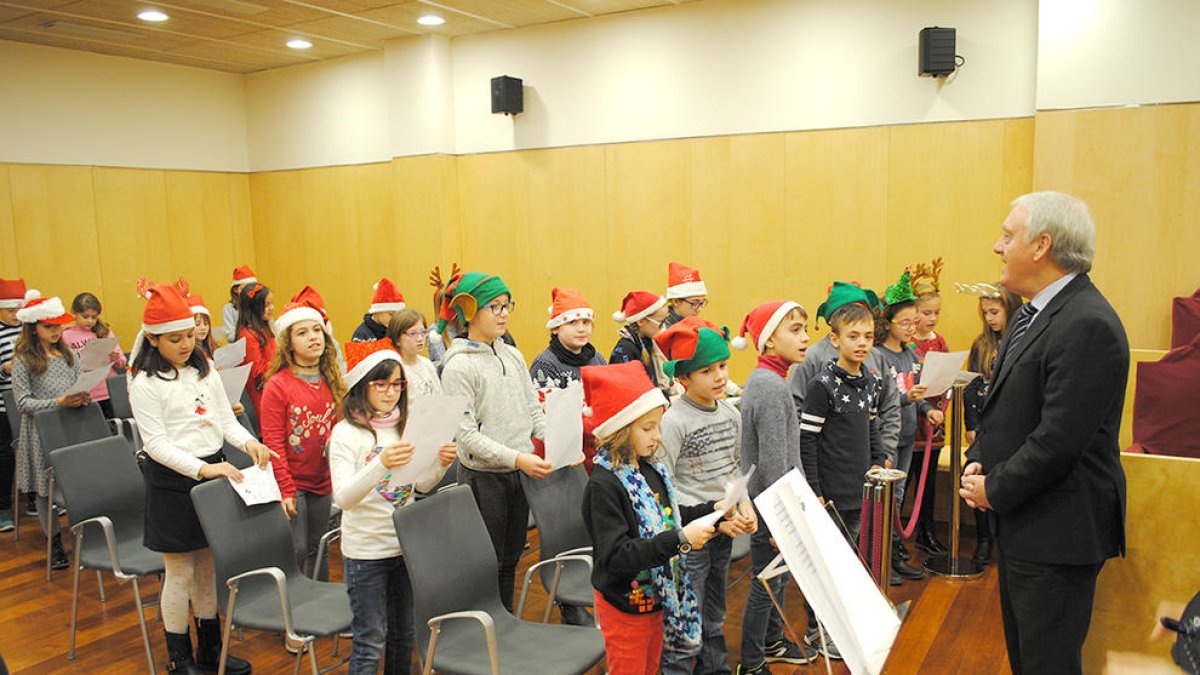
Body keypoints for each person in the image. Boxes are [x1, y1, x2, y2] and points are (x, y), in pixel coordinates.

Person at [961, 191, 1129, 675]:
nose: (997, 246)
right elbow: (1012, 407)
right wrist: (981, 456)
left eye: (1007, 236)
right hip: (1030, 521)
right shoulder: (1034, 312)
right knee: (1027, 658)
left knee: (1046, 664)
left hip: (1060, 529)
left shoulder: (1087, 323)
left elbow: (1059, 440)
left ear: (1042, 246)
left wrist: (995, 487)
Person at [128, 281, 272, 675]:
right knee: (179, 572)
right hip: (173, 481)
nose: (186, 344)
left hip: (213, 472)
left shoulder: (203, 368)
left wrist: (250, 442)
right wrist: (203, 469)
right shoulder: (144, 381)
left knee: (208, 566)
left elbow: (225, 420)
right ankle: (180, 658)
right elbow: (155, 444)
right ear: (154, 340)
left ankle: (211, 649)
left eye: (190, 335)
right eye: (175, 338)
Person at [581, 361, 721, 675]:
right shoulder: (603, 486)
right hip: (625, 605)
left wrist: (716, 512)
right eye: (648, 428)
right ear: (619, 430)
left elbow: (670, 517)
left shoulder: (649, 468)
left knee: (651, 667)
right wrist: (681, 539)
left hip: (656, 598)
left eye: (658, 426)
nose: (657, 436)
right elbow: (616, 555)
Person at [329, 339, 456, 675]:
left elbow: (419, 487)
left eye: (397, 384)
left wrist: (440, 465)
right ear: (361, 386)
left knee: (404, 635)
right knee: (370, 640)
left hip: (403, 547)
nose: (390, 392)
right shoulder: (346, 434)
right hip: (366, 553)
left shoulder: (405, 427)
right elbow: (343, 498)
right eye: (381, 384)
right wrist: (381, 463)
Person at [437, 270, 551, 612]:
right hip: (483, 479)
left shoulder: (512, 355)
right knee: (486, 562)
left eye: (506, 305)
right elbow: (467, 437)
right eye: (494, 307)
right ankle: (483, 630)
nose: (503, 313)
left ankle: (503, 625)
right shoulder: (457, 367)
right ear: (469, 313)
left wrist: (561, 445)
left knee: (510, 559)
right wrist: (518, 458)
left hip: (519, 474)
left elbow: (534, 412)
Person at [654, 317, 756, 675]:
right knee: (687, 619)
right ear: (683, 379)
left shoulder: (730, 413)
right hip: (691, 536)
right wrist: (712, 516)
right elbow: (665, 485)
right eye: (706, 371)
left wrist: (743, 506)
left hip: (722, 531)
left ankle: (716, 669)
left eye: (723, 366)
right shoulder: (674, 421)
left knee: (715, 613)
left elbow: (737, 469)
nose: (719, 376)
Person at [730, 301, 818, 674]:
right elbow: (771, 464)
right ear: (768, 342)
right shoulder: (769, 387)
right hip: (770, 505)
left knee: (777, 580)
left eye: (804, 328)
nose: (806, 337)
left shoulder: (771, 381)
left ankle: (771, 642)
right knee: (765, 586)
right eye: (795, 330)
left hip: (773, 501)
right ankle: (751, 663)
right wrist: (783, 517)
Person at [799, 302, 889, 659]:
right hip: (831, 493)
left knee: (851, 563)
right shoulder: (822, 385)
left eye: (868, 336)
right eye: (853, 336)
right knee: (826, 566)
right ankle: (815, 629)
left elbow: (871, 425)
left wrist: (880, 459)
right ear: (834, 339)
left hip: (860, 491)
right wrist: (816, 490)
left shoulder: (871, 381)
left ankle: (843, 624)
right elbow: (808, 439)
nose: (862, 343)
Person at [261, 295, 345, 580]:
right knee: (297, 549)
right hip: (293, 483)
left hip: (323, 480)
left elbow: (341, 427)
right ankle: (295, 611)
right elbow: (273, 441)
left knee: (318, 547)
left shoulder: (331, 378)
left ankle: (318, 604)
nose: (313, 338)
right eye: (302, 332)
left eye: (317, 330)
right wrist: (285, 488)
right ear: (288, 342)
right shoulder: (278, 385)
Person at [12, 296, 85, 569]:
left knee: (77, 484)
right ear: (33, 328)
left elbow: (79, 381)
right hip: (42, 430)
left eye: (58, 327)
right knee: (45, 490)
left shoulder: (68, 354)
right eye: (48, 327)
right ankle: (53, 541)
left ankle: (82, 535)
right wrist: (58, 403)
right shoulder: (23, 359)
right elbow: (22, 402)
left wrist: (80, 397)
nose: (56, 332)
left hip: (71, 427)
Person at [873, 271, 936, 583]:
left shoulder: (912, 356)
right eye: (906, 322)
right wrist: (904, 399)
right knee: (886, 500)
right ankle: (881, 557)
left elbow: (917, 393)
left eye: (915, 321)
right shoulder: (878, 356)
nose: (913, 328)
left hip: (908, 437)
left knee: (898, 499)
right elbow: (882, 399)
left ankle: (896, 554)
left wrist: (927, 408)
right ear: (889, 322)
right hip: (886, 439)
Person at [959, 281, 1023, 566]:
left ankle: (1005, 537)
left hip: (1011, 426)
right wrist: (971, 425)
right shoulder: (981, 345)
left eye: (995, 312)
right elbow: (971, 388)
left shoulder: (1022, 340)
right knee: (974, 474)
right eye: (985, 313)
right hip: (984, 428)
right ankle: (984, 537)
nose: (990, 319)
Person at [908, 258, 950, 555]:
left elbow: (946, 375)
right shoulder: (908, 345)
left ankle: (927, 529)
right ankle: (902, 531)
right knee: (909, 478)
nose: (932, 319)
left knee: (930, 480)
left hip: (934, 422)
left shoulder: (940, 342)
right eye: (926, 313)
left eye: (936, 313)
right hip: (912, 422)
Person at [0, 278, 35, 534]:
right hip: (4, 405)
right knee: (5, 457)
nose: (15, 315)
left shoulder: (28, 330)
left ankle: (37, 497)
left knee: (34, 451)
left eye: (18, 310)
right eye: (10, 311)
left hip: (31, 401)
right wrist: (5, 370)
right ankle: (3, 508)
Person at [63, 292, 126, 418]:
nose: (90, 321)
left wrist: (116, 358)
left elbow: (122, 361)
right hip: (87, 394)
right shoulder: (66, 336)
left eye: (94, 317)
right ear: (74, 313)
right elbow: (66, 367)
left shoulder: (103, 331)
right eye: (85, 316)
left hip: (109, 390)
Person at [610, 291, 678, 400]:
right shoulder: (625, 350)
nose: (664, 326)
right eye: (660, 322)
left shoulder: (648, 342)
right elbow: (624, 392)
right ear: (641, 321)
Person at [235, 282, 276, 421]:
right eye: (267, 305)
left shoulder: (265, 330)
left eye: (271, 304)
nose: (272, 308)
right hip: (261, 395)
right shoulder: (248, 335)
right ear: (254, 308)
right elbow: (257, 372)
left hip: (272, 387)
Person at [385, 309, 441, 398]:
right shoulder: (395, 370)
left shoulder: (427, 363)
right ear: (397, 339)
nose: (420, 338)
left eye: (423, 332)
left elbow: (439, 398)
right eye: (412, 333)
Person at [352, 278, 405, 343]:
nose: (394, 319)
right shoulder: (361, 336)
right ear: (377, 311)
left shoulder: (396, 330)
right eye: (391, 314)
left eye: (397, 315)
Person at [662, 262, 710, 330]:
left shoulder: (695, 325)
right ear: (676, 301)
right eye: (694, 303)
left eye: (701, 303)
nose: (699, 309)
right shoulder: (662, 329)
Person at [222, 265, 258, 343]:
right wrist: (250, 335)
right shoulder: (229, 308)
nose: (249, 291)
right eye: (245, 288)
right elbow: (230, 336)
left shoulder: (260, 304)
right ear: (236, 289)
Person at [187, 294, 219, 360]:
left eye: (206, 324)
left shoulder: (213, 347)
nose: (203, 328)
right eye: (197, 324)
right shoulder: (187, 353)